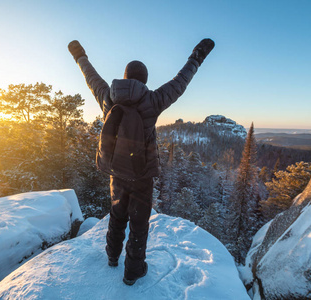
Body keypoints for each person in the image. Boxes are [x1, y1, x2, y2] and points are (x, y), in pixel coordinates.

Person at [68, 38, 214, 285]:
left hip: (117, 172)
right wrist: (197, 56)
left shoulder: (108, 97)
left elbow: (90, 77)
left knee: (117, 216)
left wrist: (79, 55)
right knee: (138, 224)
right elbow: (180, 82)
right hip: (142, 175)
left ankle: (112, 257)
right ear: (144, 80)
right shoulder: (152, 100)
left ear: (125, 78)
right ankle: (133, 271)